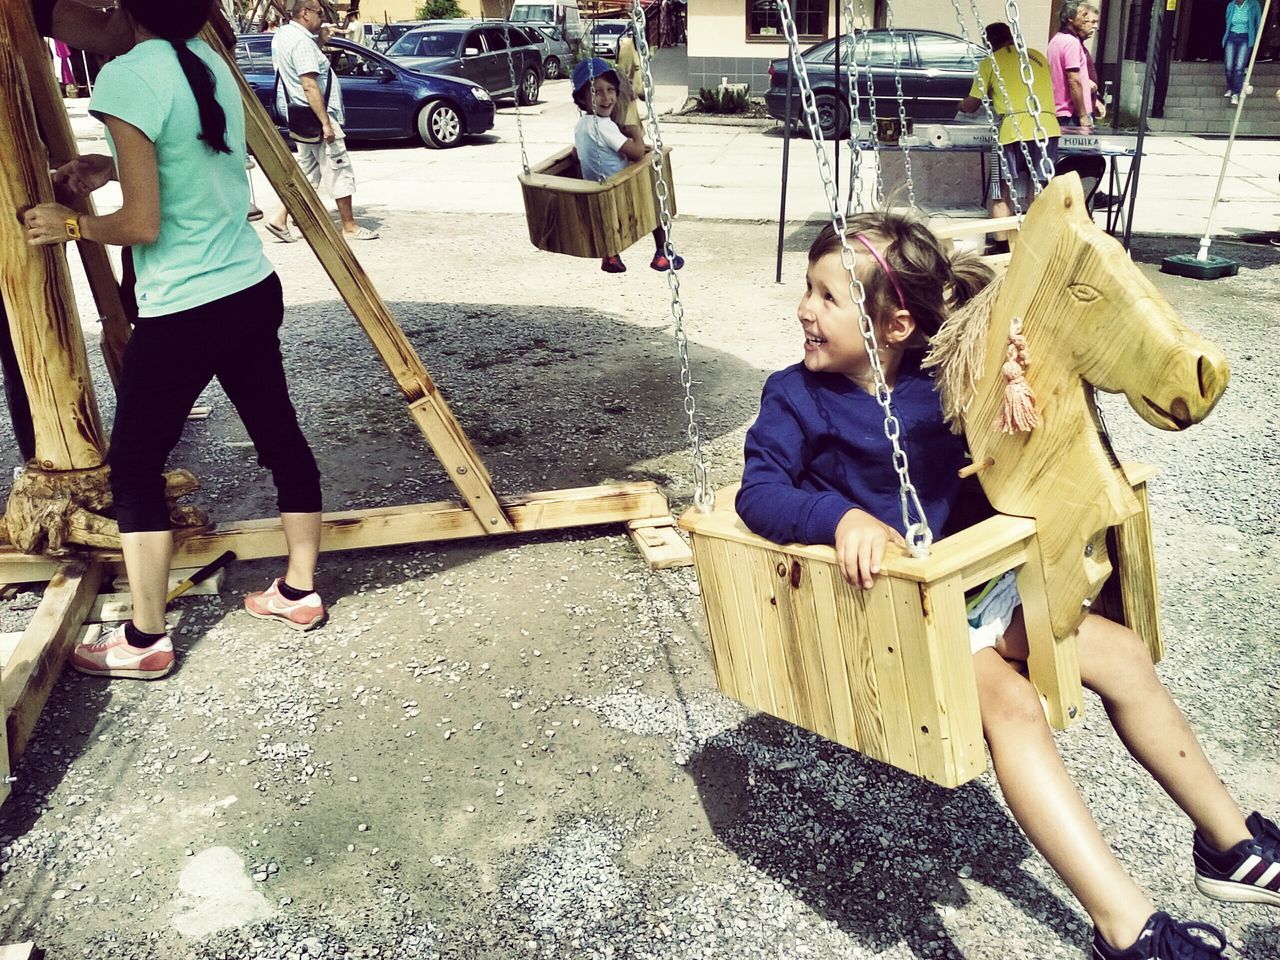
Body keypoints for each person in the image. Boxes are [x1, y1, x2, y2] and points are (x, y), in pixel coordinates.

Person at [735, 210, 1280, 960]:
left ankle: (1231, 845)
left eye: (828, 297)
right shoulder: (795, 397)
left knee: (1120, 654)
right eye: (809, 290)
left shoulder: (941, 382)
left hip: (974, 589)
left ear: (895, 326)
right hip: (902, 612)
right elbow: (757, 494)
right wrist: (837, 519)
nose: (804, 309)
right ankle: (1125, 928)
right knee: (1014, 705)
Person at [22, 0, 327, 680]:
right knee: (281, 439)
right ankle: (300, 592)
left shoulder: (128, 75)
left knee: (133, 471)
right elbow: (187, 162)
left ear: (127, 11)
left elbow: (142, 223)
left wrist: (68, 225)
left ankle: (145, 638)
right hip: (250, 289)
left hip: (187, 309)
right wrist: (107, 166)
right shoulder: (208, 60)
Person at [264, 0, 378, 242]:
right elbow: (309, 84)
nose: (322, 17)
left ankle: (280, 218)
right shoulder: (301, 42)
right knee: (339, 169)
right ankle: (349, 226)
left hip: (300, 117)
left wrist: (320, 41)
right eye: (319, 12)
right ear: (305, 13)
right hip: (316, 116)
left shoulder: (283, 35)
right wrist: (326, 122)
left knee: (308, 171)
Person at [570, 57, 682, 274]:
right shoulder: (604, 126)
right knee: (657, 197)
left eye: (610, 90)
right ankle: (663, 253)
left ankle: (610, 256)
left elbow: (576, 153)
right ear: (582, 99)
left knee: (610, 216)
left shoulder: (581, 125)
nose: (606, 98)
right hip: (619, 188)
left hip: (596, 192)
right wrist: (636, 134)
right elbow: (638, 153)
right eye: (596, 92)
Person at [958, 22, 1061, 255]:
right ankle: (1036, 242)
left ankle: (1001, 246)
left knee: (1000, 189)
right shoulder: (1035, 56)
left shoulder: (989, 62)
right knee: (1039, 186)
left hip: (1011, 130)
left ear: (989, 44)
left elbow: (972, 105)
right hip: (1046, 128)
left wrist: (960, 106)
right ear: (1011, 37)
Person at [1047, 1, 1113, 209]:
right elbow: (1073, 80)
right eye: (1087, 21)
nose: (1093, 26)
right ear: (1070, 20)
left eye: (1095, 22)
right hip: (1071, 115)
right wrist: (1084, 114)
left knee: (1082, 163)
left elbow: (1078, 79)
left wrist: (1093, 93)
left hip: (1064, 112)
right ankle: (1080, 206)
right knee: (1087, 164)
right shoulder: (1071, 43)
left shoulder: (1058, 40)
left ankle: (1082, 203)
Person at [1222, 0, 1263, 105]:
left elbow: (1258, 22)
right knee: (1229, 66)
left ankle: (1236, 93)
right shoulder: (1231, 5)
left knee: (1239, 67)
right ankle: (1231, 87)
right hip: (1232, 36)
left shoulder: (1253, 5)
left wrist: (1257, 38)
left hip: (1245, 37)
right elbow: (1227, 21)